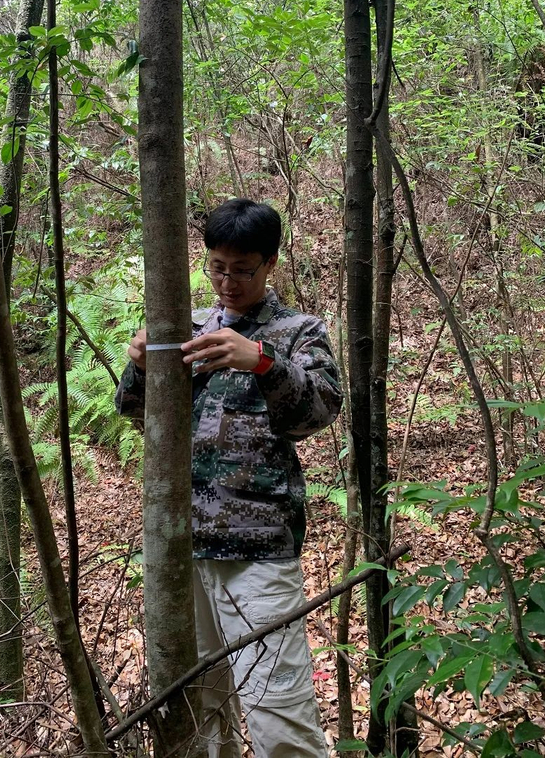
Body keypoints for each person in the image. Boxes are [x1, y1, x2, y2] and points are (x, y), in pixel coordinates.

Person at [115, 198, 342, 758]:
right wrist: (143, 366)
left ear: (270, 264)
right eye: (218, 266)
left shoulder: (297, 331)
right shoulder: (189, 328)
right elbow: (137, 412)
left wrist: (261, 361)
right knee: (198, 716)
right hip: (181, 551)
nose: (228, 281)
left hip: (257, 550)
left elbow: (319, 411)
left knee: (278, 716)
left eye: (243, 269)